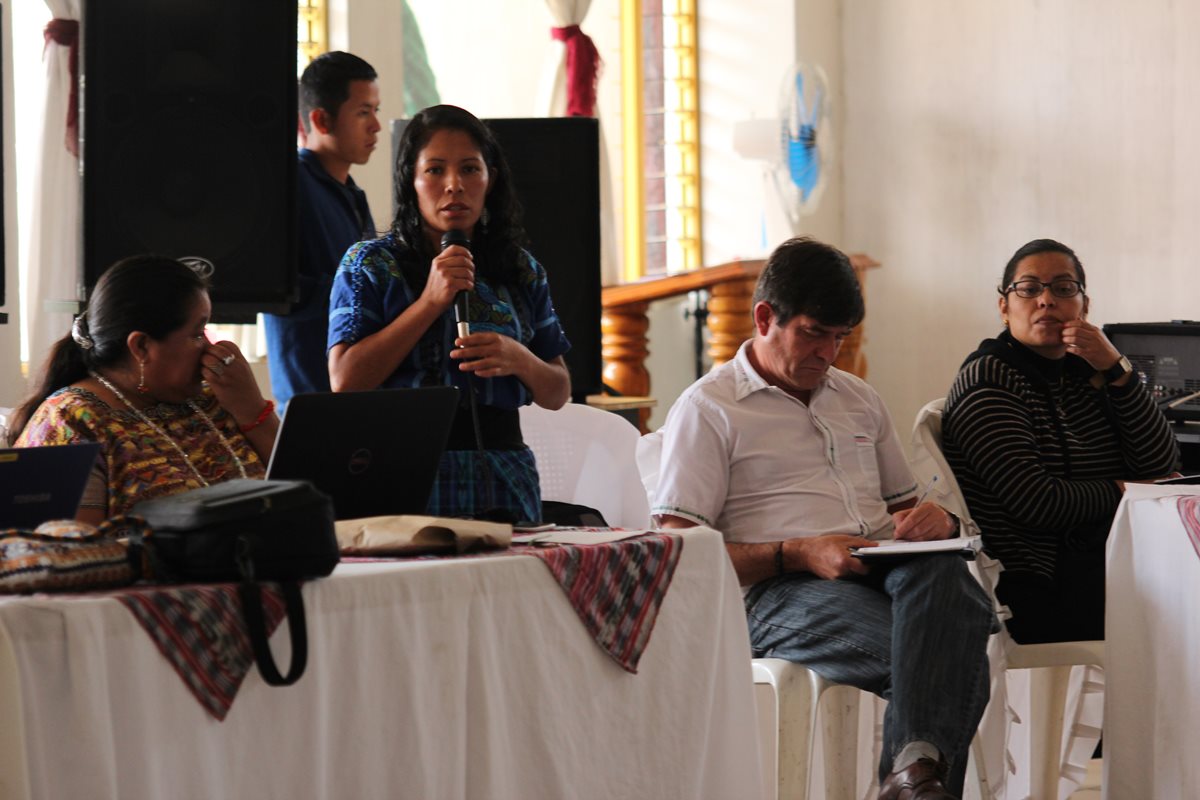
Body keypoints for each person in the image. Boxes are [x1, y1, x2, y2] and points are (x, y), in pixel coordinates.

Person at [651, 237, 997, 800]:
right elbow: (680, 552)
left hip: (884, 570)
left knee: (946, 580)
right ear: (765, 317)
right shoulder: (710, 408)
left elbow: (903, 508)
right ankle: (914, 780)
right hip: (774, 591)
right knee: (949, 658)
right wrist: (798, 551)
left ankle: (909, 779)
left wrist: (935, 522)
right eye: (814, 333)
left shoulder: (859, 399)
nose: (828, 353)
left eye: (841, 338)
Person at [327, 104, 571, 523]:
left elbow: (558, 391)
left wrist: (518, 358)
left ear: (490, 179)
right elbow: (345, 379)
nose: (454, 185)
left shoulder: (520, 269)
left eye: (470, 169)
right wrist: (429, 303)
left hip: (503, 474)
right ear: (412, 181)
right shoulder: (369, 264)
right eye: (435, 170)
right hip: (400, 471)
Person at [942, 239, 1178, 644]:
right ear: (1004, 307)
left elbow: (1158, 464)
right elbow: (1038, 503)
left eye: (1064, 288)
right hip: (1039, 582)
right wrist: (1127, 492)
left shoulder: (1084, 372)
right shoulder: (989, 379)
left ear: (1084, 306)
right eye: (1029, 289)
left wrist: (1117, 369)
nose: (1047, 300)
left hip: (1107, 562)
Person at [10, 255, 278, 524]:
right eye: (196, 334)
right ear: (141, 347)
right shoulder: (69, 423)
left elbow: (308, 491)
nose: (210, 347)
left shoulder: (213, 400)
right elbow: (73, 556)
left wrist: (251, 409)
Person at [263, 51, 380, 412]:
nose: (376, 125)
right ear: (321, 119)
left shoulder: (352, 193)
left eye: (376, 110)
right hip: (312, 396)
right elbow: (278, 289)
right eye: (363, 112)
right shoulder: (290, 186)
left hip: (361, 390)